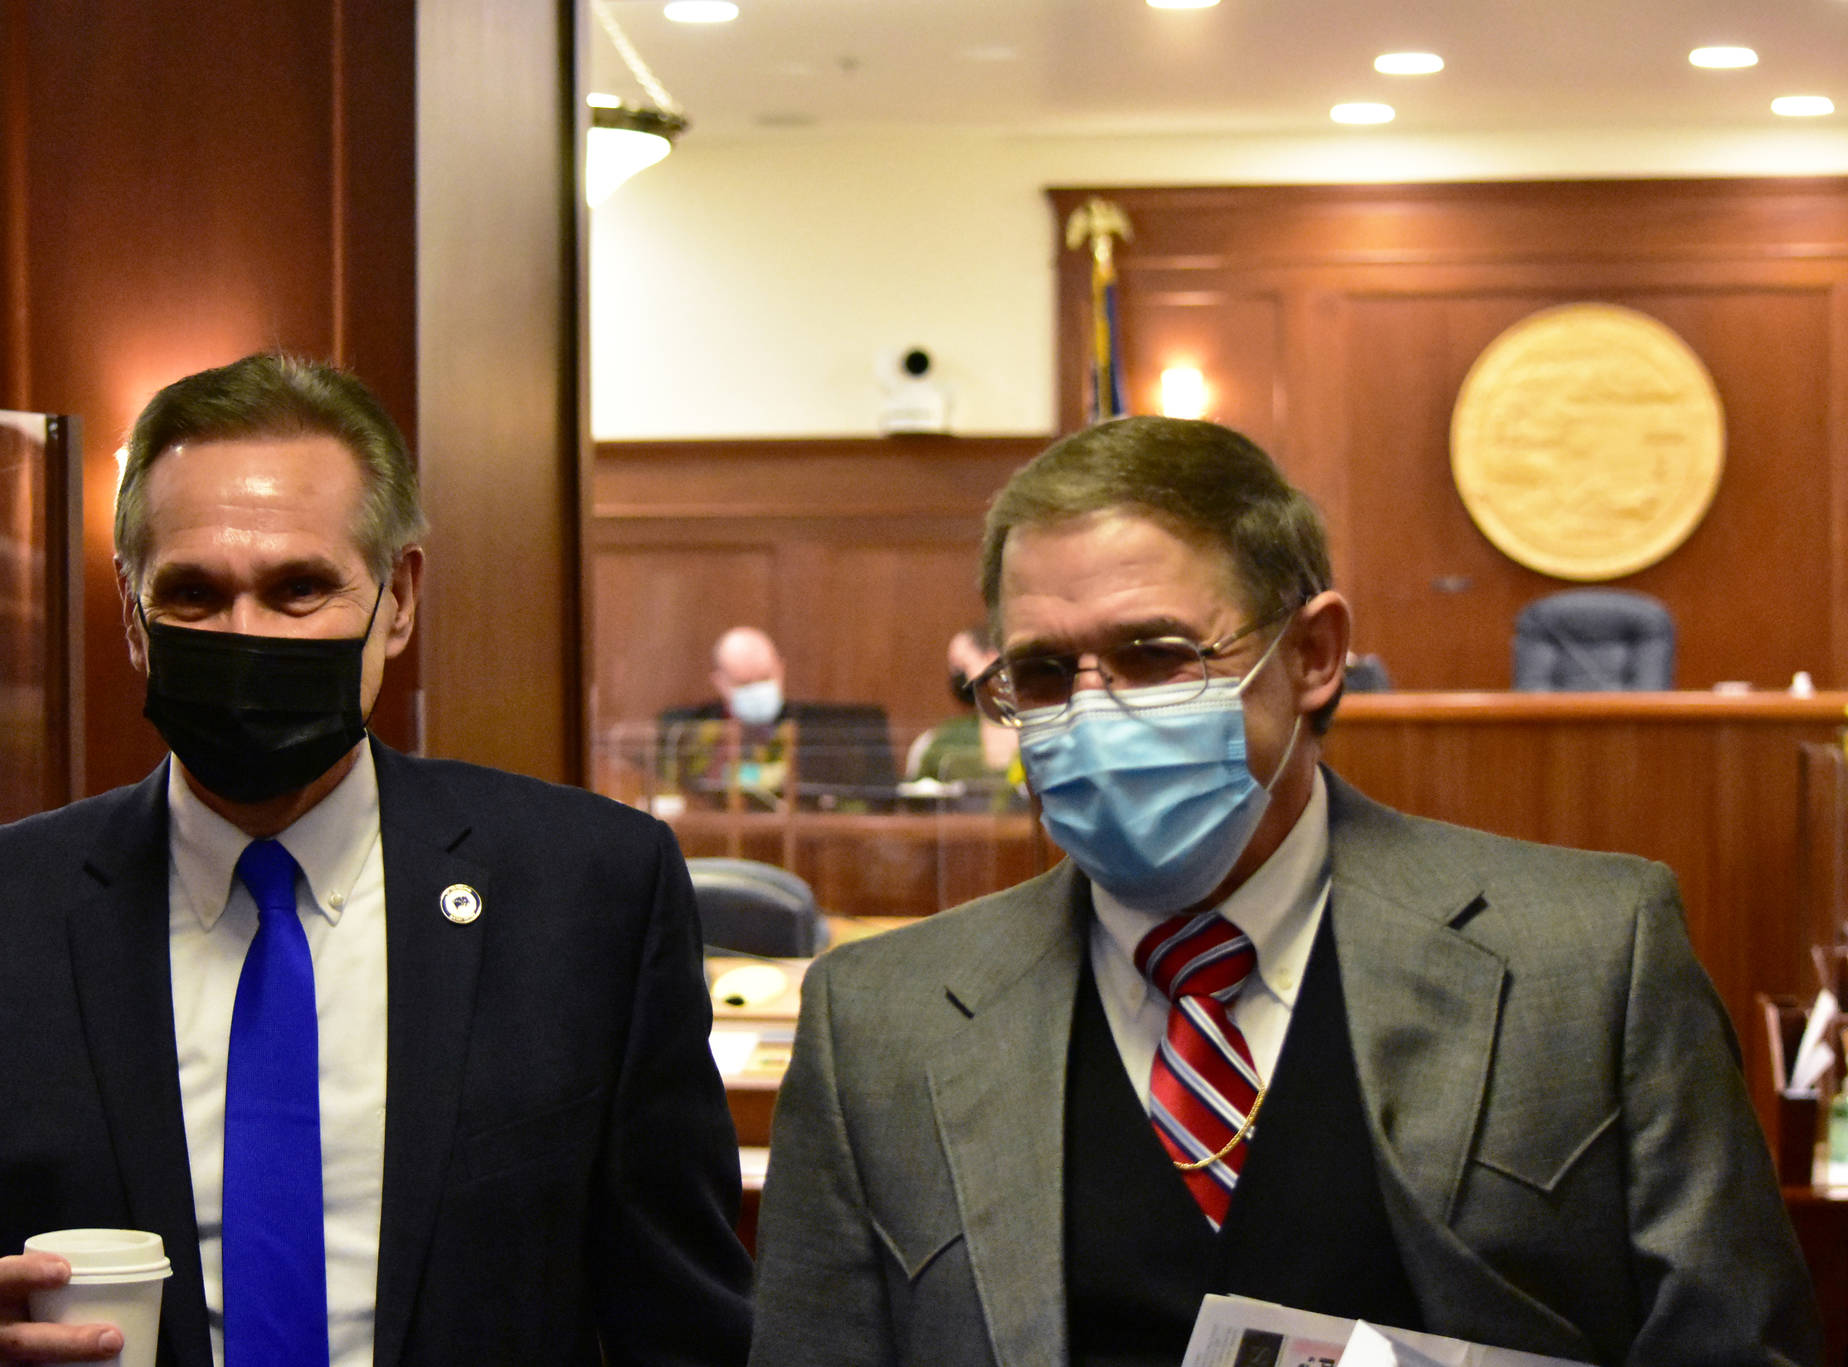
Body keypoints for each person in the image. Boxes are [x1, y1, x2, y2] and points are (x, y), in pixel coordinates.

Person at [749, 416, 1820, 1366]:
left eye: (1152, 654)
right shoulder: (877, 1024)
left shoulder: (1590, 957)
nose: (1089, 714)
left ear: (1312, 653)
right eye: (1040, 675)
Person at [0, 353, 752, 1367]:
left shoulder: (591, 893)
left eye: (299, 588)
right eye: (194, 594)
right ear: (133, 613)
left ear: (397, 598)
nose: (247, 633)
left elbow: (684, 1321)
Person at [658, 628, 894, 808]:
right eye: (744, 683)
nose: (757, 690)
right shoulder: (689, 732)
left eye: (764, 678)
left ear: (780, 670)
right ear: (720, 682)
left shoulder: (819, 732)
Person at [904, 626, 1020, 788]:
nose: (958, 677)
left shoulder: (1043, 733)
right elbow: (917, 793)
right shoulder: (946, 739)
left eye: (962, 666)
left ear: (992, 659)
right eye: (953, 669)